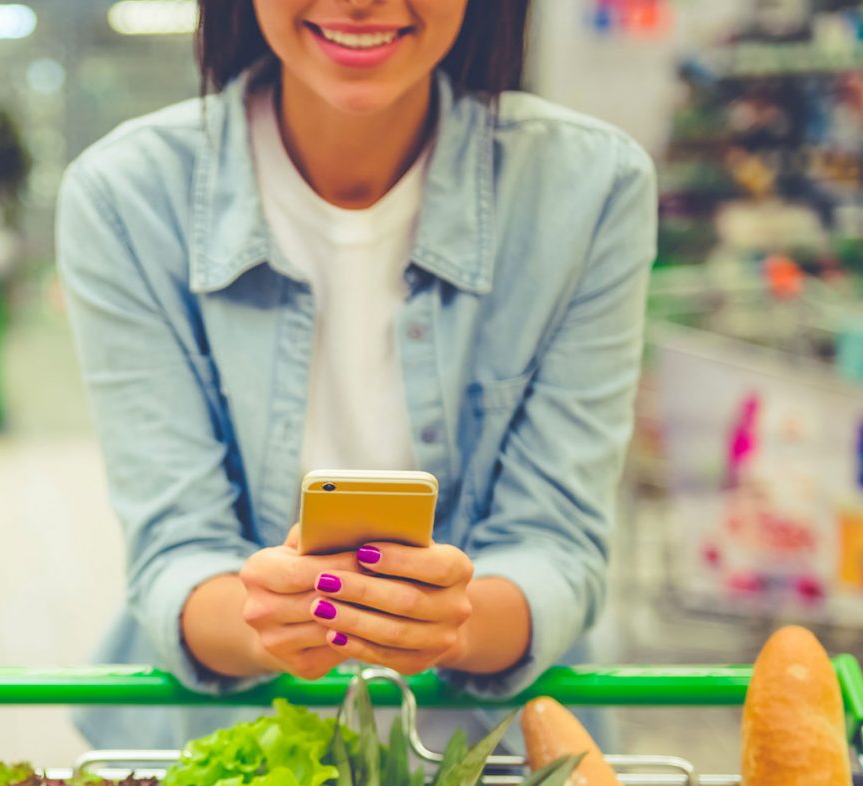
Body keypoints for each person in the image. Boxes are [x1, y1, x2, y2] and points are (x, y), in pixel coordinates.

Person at [57, 0, 655, 747]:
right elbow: (176, 551)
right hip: (229, 753)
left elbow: (558, 543)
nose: (361, 3)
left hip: (499, 760)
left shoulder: (590, 187)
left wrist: (454, 624)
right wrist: (263, 620)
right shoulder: (125, 195)